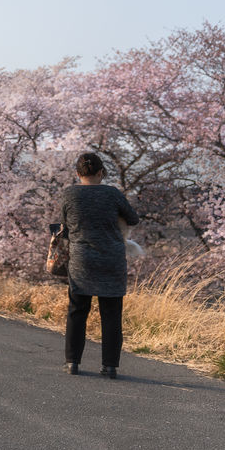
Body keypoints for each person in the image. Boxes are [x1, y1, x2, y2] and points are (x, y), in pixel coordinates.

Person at [58, 152, 140, 379]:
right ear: (101, 172)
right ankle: (110, 366)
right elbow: (133, 219)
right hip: (111, 260)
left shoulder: (69, 194)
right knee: (111, 314)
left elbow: (63, 227)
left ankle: (72, 362)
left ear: (77, 173)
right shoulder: (112, 194)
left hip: (81, 260)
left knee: (77, 311)